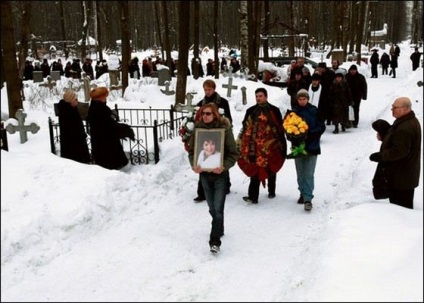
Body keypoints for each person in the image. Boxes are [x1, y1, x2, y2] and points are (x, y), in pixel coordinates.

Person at [188, 103, 239, 253]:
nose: (205, 116)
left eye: (208, 113)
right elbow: (192, 151)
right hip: (205, 175)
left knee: (218, 209)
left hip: (220, 176)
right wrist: (194, 164)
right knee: (212, 208)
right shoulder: (198, 130)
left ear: (215, 114)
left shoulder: (224, 130)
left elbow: (233, 154)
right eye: (203, 113)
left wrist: (224, 166)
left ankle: (214, 241)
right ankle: (219, 228)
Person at [369, 97, 421, 209]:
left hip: (401, 178)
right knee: (402, 209)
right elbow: (403, 144)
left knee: (401, 211)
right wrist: (386, 137)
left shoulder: (405, 127)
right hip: (404, 177)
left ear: (405, 109)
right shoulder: (407, 121)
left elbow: (399, 152)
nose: (392, 109)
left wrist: (379, 156)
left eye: (394, 107)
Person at [238, 87, 287, 204]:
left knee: (270, 166)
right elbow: (245, 126)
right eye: (256, 96)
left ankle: (271, 190)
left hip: (271, 145)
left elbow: (280, 127)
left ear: (266, 96)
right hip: (254, 146)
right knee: (255, 167)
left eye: (260, 96)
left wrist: (279, 142)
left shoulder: (274, 110)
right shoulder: (250, 111)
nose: (258, 98)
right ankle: (253, 196)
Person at [192, 79, 233, 202]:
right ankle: (202, 192)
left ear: (214, 89)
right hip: (205, 134)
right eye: (205, 89)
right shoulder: (201, 103)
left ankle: (225, 186)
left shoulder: (222, 102)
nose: (207, 92)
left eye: (209, 89)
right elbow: (197, 118)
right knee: (203, 161)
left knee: (220, 160)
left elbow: (228, 118)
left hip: (219, 135)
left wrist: (225, 129)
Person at [288, 89, 326, 211]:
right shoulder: (294, 112)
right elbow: (288, 127)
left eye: (304, 99)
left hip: (312, 146)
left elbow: (321, 126)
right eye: (300, 99)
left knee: (309, 173)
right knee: (300, 173)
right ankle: (302, 192)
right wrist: (293, 136)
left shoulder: (314, 111)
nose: (302, 101)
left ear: (308, 99)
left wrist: (309, 134)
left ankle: (308, 198)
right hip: (298, 147)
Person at [87, 87, 129, 170]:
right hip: (104, 141)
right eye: (104, 97)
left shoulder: (98, 106)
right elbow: (104, 123)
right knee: (108, 162)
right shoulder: (98, 109)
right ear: (100, 98)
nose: (106, 99)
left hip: (105, 139)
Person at [57, 89, 91, 164]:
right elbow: (72, 129)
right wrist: (81, 134)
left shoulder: (71, 109)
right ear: (70, 100)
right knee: (76, 163)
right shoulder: (67, 111)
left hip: (77, 142)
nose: (77, 101)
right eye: (75, 99)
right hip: (73, 145)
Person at [370, 119, 391, 200]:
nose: (377, 134)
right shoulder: (387, 138)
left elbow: (389, 155)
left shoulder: (388, 139)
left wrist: (377, 156)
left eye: (378, 132)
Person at [329, 69, 353, 134]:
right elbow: (330, 93)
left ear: (342, 78)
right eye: (337, 77)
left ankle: (343, 125)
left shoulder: (345, 84)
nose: (338, 79)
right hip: (335, 103)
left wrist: (350, 101)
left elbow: (348, 93)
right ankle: (336, 128)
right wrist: (330, 101)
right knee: (335, 116)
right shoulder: (333, 84)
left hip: (344, 103)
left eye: (339, 77)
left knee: (344, 115)